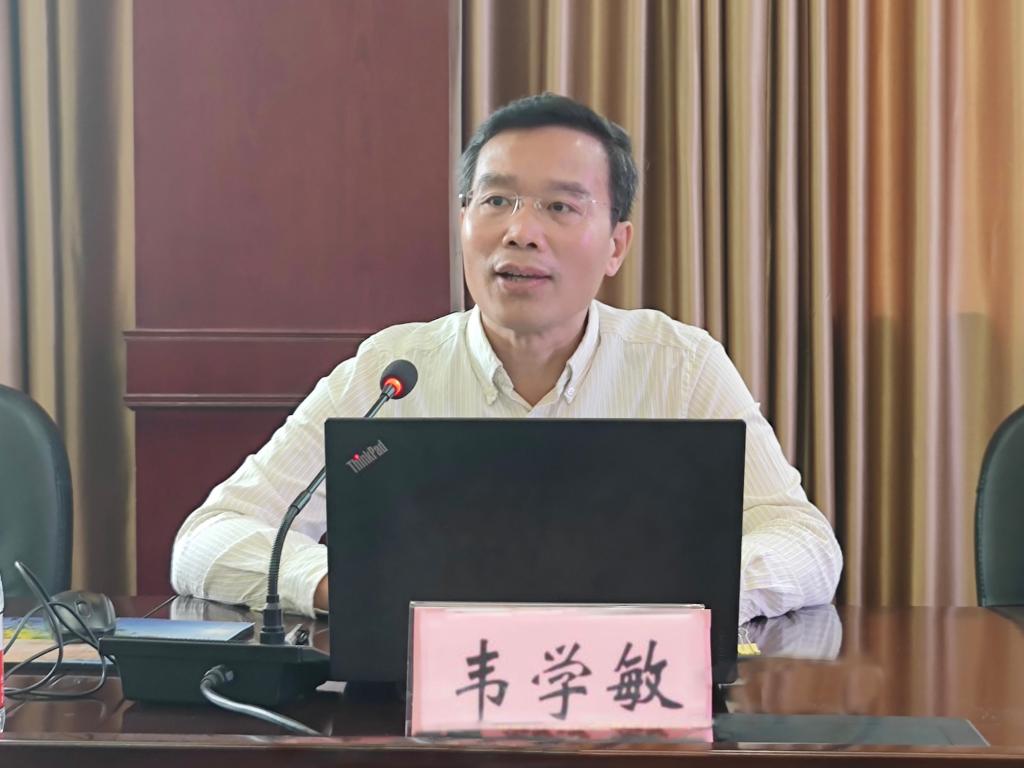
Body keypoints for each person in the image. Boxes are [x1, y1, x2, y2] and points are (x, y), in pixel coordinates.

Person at [171, 93, 842, 624]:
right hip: (420, 711)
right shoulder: (393, 372)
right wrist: (338, 583)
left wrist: (687, 591)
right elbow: (209, 536)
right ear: (464, 221)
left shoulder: (680, 366)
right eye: (496, 201)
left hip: (628, 706)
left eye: (560, 206)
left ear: (616, 245)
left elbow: (805, 543)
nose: (521, 232)